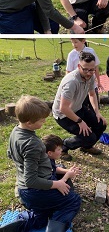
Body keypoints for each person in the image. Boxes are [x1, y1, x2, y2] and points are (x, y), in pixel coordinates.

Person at [6, 95, 81, 232]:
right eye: (41, 120)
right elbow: (31, 180)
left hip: (26, 190)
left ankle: (23, 224)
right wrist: (57, 184)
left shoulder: (15, 132)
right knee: (73, 200)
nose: (45, 122)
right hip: (34, 191)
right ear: (29, 122)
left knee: (42, 216)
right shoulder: (33, 144)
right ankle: (54, 229)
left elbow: (10, 154)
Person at [52, 51, 107, 161]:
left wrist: (97, 112)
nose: (88, 72)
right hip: (63, 115)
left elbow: (92, 94)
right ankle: (64, 146)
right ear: (78, 66)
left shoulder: (90, 77)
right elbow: (63, 108)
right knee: (89, 136)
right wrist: (80, 121)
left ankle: (86, 146)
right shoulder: (71, 82)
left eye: (91, 69)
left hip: (78, 108)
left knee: (101, 124)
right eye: (85, 69)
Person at [66, 38, 103, 108]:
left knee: (94, 107)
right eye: (72, 42)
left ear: (83, 41)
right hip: (79, 87)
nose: (74, 45)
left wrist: (98, 82)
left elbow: (96, 67)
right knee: (81, 108)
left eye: (76, 42)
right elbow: (68, 71)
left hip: (91, 85)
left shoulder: (91, 51)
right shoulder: (71, 54)